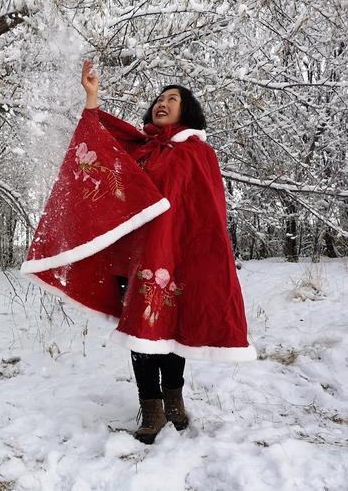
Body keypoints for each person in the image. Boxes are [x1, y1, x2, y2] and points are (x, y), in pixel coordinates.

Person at [21, 59, 255, 445]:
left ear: (187, 110)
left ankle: (174, 399)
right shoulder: (141, 150)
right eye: (159, 99)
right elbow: (99, 147)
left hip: (177, 256)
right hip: (136, 256)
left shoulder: (198, 153)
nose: (162, 103)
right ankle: (152, 410)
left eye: (173, 99)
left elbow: (206, 213)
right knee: (140, 331)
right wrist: (93, 98)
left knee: (170, 327)